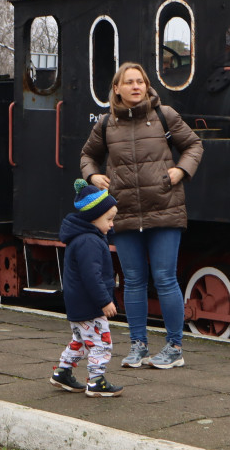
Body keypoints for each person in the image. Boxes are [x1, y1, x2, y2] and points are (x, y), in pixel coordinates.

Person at [81, 62, 203, 370]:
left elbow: (193, 145)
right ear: (117, 89)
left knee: (164, 278)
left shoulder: (165, 115)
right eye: (129, 82)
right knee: (132, 280)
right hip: (123, 212)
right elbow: (87, 156)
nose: (136, 86)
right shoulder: (107, 124)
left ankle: (174, 347)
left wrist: (180, 170)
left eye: (141, 82)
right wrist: (93, 176)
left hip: (164, 208)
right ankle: (138, 346)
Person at [51, 180, 123, 397]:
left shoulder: (82, 238)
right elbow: (92, 277)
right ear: (94, 217)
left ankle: (63, 372)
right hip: (90, 304)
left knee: (81, 341)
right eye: (109, 219)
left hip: (77, 304)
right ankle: (96, 381)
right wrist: (104, 301)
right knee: (102, 342)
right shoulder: (89, 242)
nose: (111, 224)